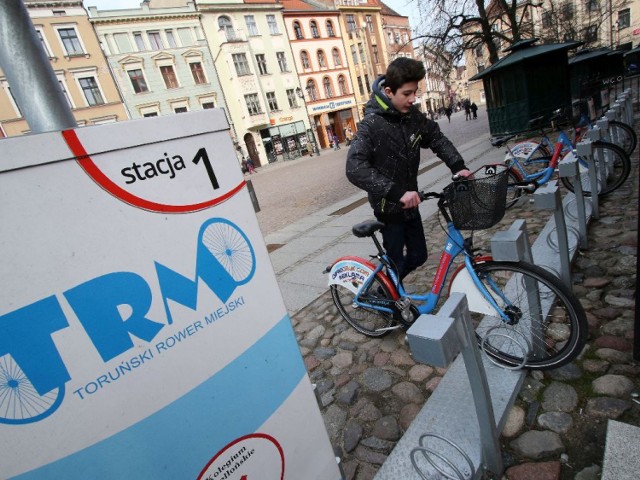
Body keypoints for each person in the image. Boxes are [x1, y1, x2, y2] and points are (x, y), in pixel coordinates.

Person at [346, 57, 471, 283]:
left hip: (411, 201)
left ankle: (387, 287)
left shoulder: (412, 117)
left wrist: (458, 166)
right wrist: (396, 192)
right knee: (395, 261)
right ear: (389, 91)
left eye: (415, 92)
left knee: (418, 255)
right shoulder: (371, 124)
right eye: (407, 93)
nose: (413, 99)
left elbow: (436, 137)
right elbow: (354, 167)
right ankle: (390, 297)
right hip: (388, 207)